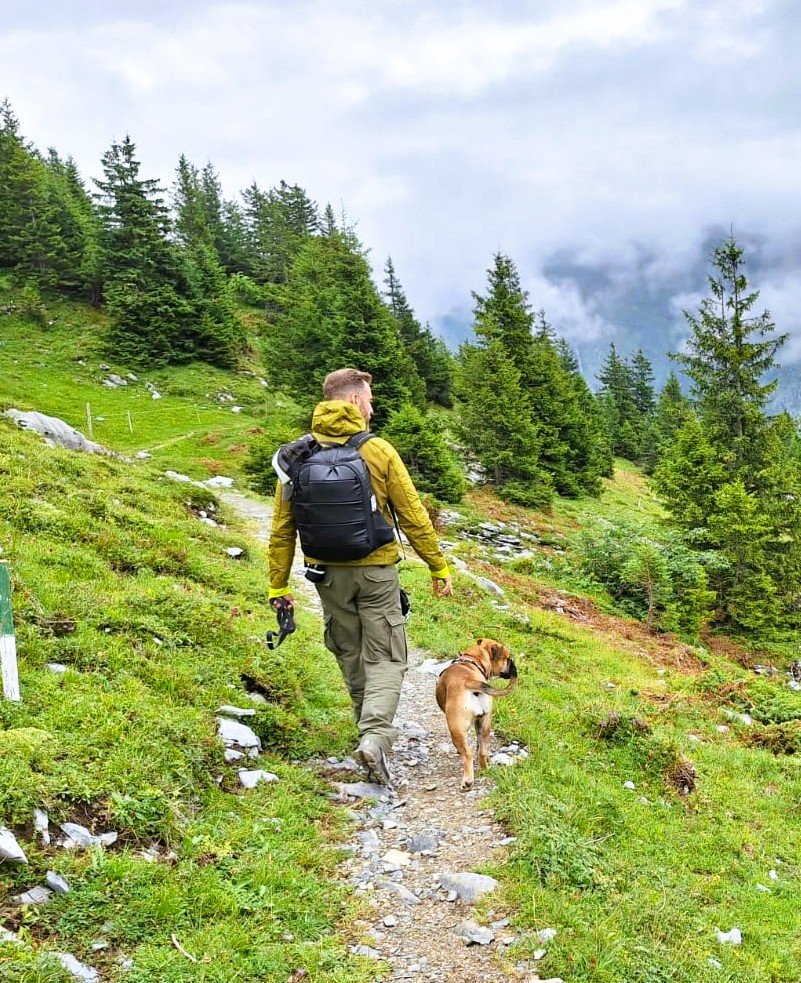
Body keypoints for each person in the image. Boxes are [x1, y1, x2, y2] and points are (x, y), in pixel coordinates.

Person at [268, 367, 453, 785]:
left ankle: (365, 730)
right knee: (387, 653)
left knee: (349, 650)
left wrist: (278, 584)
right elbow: (413, 515)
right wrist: (437, 565)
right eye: (368, 399)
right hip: (376, 572)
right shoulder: (379, 451)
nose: (372, 407)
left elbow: (283, 527)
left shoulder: (295, 455)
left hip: (326, 576)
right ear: (352, 401)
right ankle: (374, 738)